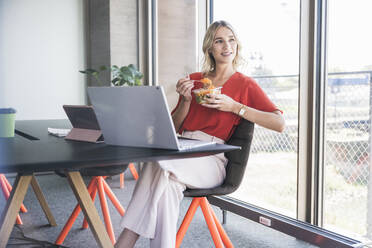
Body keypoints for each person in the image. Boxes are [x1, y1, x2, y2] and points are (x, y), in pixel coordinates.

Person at [115, 20, 285, 248]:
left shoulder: (246, 85)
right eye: (219, 41)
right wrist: (185, 100)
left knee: (158, 162)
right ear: (210, 48)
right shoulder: (196, 79)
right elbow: (173, 128)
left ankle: (125, 242)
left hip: (212, 158)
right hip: (183, 148)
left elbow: (279, 123)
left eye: (231, 39)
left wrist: (236, 107)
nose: (227, 46)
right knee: (168, 187)